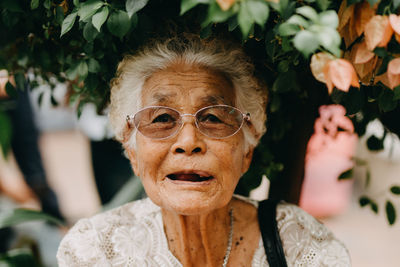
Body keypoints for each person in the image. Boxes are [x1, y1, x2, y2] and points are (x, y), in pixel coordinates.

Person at [57, 34, 351, 266]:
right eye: (161, 119)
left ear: (247, 152)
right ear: (132, 153)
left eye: (213, 118)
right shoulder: (95, 251)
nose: (188, 142)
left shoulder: (301, 244)